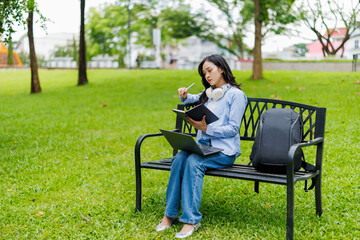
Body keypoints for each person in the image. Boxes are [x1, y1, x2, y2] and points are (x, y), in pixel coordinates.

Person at [156, 54, 247, 238]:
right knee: (180, 158)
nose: (207, 75)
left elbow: (233, 129)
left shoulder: (236, 96)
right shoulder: (209, 94)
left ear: (221, 68)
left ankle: (191, 219)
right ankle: (169, 214)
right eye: (204, 73)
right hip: (204, 147)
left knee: (194, 162)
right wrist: (184, 96)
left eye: (209, 70)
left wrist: (207, 128)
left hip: (224, 151)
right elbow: (193, 98)